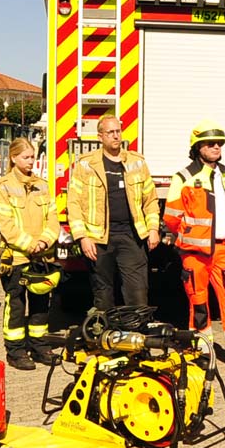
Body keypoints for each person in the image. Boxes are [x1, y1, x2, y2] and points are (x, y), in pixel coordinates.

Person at [164, 122, 225, 372]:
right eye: (211, 143)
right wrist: (192, 237)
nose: (216, 146)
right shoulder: (184, 178)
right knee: (198, 305)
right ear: (198, 147)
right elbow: (172, 217)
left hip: (222, 251)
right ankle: (200, 352)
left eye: (220, 143)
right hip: (195, 254)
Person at [66, 115, 159, 311]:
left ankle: (135, 337)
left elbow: (150, 200)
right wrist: (82, 237)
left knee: (138, 293)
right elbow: (73, 203)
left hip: (131, 237)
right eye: (110, 132)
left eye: (118, 131)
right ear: (100, 137)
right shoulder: (85, 165)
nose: (116, 136)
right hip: (99, 239)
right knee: (103, 294)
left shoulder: (137, 163)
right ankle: (105, 338)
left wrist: (153, 229)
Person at [0, 137, 62, 370]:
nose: (31, 161)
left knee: (41, 304)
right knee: (16, 305)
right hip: (17, 257)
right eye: (26, 157)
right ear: (13, 158)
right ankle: (16, 351)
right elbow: (5, 224)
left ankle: (40, 347)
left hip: (41, 257)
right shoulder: (2, 187)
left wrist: (44, 241)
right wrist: (30, 244)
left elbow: (53, 219)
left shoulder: (42, 185)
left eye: (32, 157)